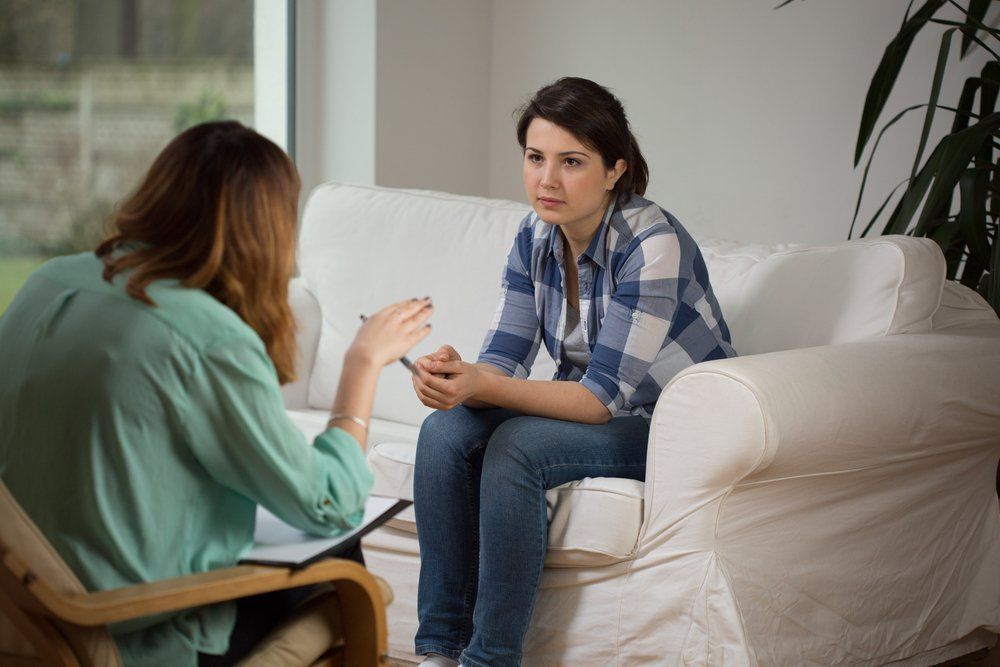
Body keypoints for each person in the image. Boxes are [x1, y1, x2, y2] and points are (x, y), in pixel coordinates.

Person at [0, 120, 432, 667]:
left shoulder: (50, 281)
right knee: (342, 557)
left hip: (24, 615)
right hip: (134, 625)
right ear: (266, 229)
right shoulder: (205, 337)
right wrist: (363, 364)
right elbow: (328, 503)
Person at [410, 77, 736, 666]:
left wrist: (484, 386)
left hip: (670, 426)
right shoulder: (534, 235)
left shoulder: (651, 242)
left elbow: (598, 401)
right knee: (443, 432)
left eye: (571, 162)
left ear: (615, 170)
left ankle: (490, 659)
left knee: (518, 446)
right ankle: (438, 652)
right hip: (596, 410)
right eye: (535, 158)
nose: (546, 180)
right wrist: (456, 377)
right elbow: (502, 362)